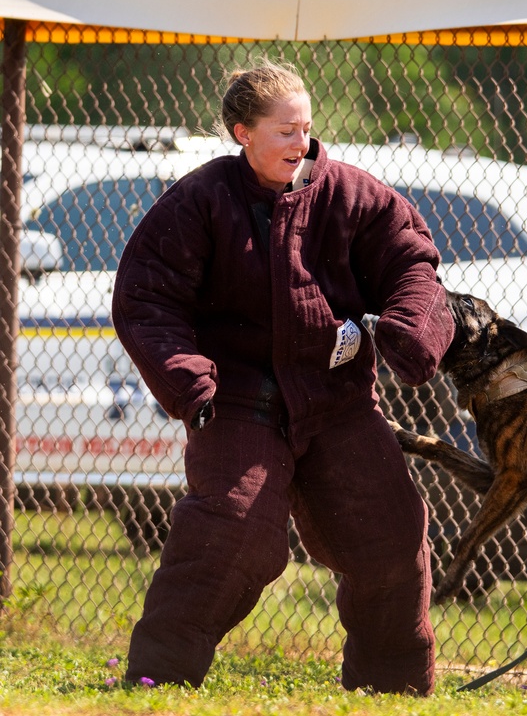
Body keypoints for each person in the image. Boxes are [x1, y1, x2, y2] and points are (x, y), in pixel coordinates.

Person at [112, 58, 454, 695]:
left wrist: (412, 330)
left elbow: (414, 264)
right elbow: (146, 298)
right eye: (284, 132)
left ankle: (394, 689)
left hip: (338, 401)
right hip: (238, 401)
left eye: (307, 130)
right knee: (231, 534)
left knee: (391, 538)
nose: (302, 144)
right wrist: (190, 383)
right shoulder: (201, 200)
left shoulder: (354, 195)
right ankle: (158, 674)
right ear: (242, 133)